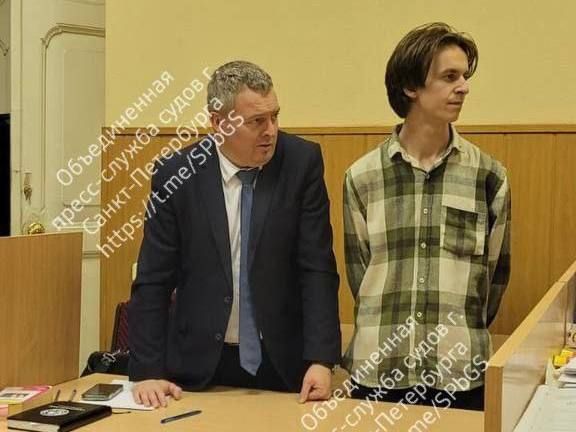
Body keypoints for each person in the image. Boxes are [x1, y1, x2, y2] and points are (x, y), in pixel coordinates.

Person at [129, 61, 341, 407]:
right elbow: (154, 278)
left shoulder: (301, 162)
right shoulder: (177, 174)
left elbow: (317, 268)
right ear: (218, 123)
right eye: (257, 121)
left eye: (275, 116)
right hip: (197, 368)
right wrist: (147, 371)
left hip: (284, 365)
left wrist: (321, 360)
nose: (271, 131)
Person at [343, 23, 511, 411]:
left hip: (460, 375)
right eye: (449, 77)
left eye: (465, 77)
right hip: (379, 372)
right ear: (410, 87)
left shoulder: (489, 176)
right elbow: (360, 273)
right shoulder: (362, 177)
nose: (463, 87)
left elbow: (495, 276)